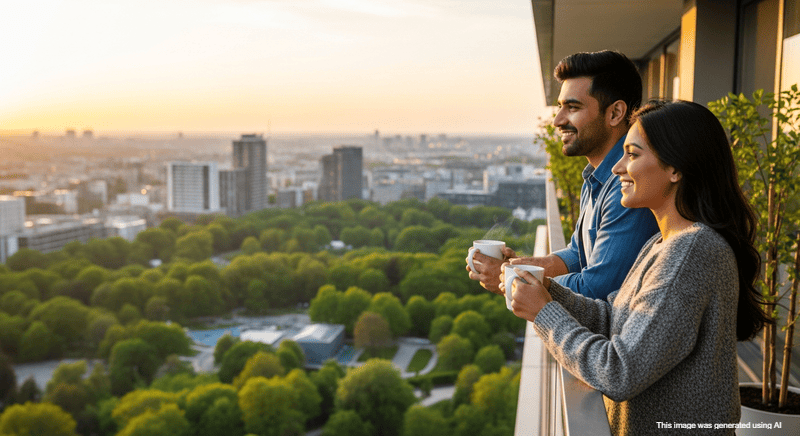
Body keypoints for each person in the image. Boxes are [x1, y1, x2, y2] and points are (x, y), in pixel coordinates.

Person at [503, 100, 770, 435]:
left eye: (632, 154)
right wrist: (546, 290)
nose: (617, 168)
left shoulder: (691, 251)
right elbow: (612, 319)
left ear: (675, 168)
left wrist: (544, 313)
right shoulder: (662, 243)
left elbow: (620, 372)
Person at [467, 50, 659, 300]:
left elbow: (598, 289)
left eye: (572, 107)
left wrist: (512, 278)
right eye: (560, 107)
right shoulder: (596, 178)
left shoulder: (628, 186)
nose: (558, 120)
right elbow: (577, 255)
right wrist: (518, 267)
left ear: (614, 113)